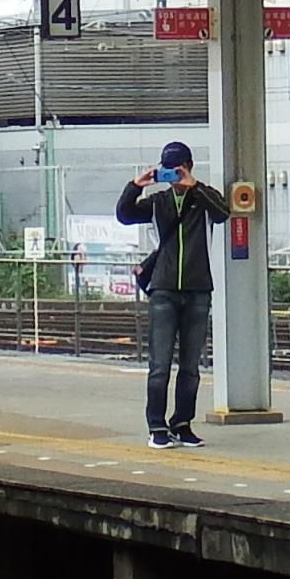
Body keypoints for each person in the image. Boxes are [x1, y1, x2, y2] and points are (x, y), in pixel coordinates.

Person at [116, 140, 231, 449]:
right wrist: (135, 186)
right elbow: (124, 214)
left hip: (198, 289)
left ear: (190, 167)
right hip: (164, 289)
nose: (173, 176)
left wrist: (194, 186)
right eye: (168, 170)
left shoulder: (203, 198)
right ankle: (157, 426)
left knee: (191, 366)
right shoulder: (158, 202)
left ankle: (182, 424)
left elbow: (224, 213)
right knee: (160, 365)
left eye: (178, 169)